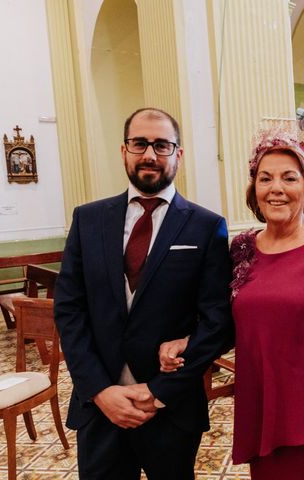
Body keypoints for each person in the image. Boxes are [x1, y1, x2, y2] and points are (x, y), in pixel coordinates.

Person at [161, 126, 304, 479]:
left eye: (289, 178)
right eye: (265, 178)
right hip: (264, 412)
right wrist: (189, 342)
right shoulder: (242, 250)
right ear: (255, 189)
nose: (277, 189)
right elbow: (231, 322)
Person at [53, 107, 233, 479]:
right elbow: (69, 311)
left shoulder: (206, 226)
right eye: (140, 143)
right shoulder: (88, 220)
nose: (150, 154)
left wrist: (158, 390)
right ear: (124, 151)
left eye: (162, 145)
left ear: (178, 155)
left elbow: (216, 321)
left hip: (171, 409)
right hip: (100, 407)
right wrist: (100, 391)